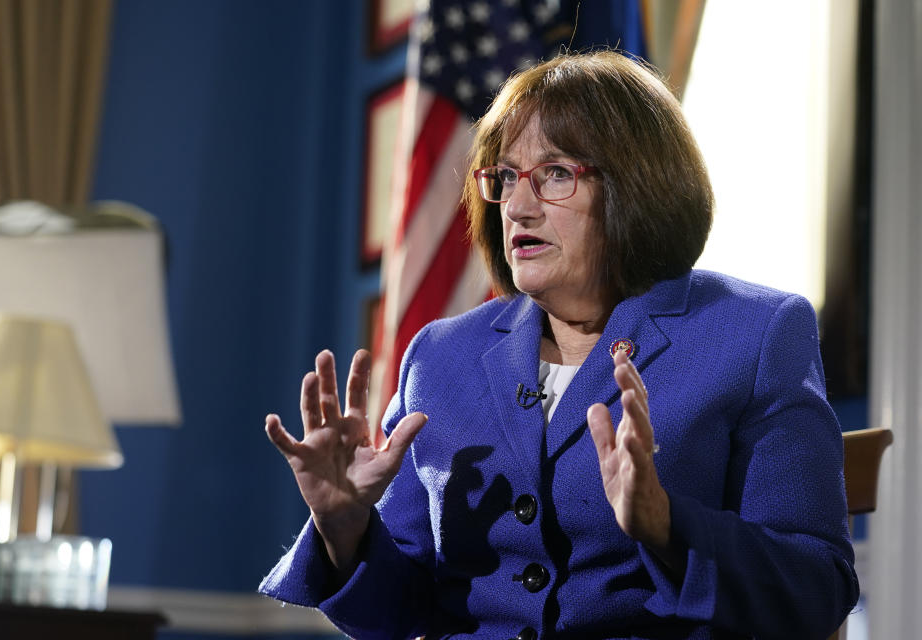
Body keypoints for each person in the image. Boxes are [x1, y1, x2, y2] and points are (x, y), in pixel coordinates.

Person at [259, 51, 859, 640]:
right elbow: (401, 612)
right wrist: (343, 527)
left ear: (637, 187)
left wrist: (667, 525)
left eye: (555, 174)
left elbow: (816, 590)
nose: (517, 207)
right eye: (505, 177)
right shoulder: (440, 359)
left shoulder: (755, 334)